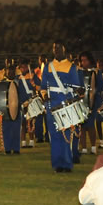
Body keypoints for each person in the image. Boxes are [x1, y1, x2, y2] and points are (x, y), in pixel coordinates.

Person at [40, 42, 82, 173]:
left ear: (64, 49)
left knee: (66, 134)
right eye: (54, 48)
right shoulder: (48, 66)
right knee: (54, 134)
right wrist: (44, 95)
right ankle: (57, 163)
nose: (56, 50)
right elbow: (42, 86)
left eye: (59, 48)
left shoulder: (71, 66)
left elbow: (76, 86)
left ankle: (67, 163)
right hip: (51, 102)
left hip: (65, 101)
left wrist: (78, 94)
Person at [78, 51, 102, 155]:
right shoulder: (79, 72)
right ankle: (83, 148)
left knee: (91, 125)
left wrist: (95, 100)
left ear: (90, 60)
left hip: (92, 101)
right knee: (81, 126)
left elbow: (99, 87)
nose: (83, 62)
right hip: (81, 101)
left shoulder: (96, 72)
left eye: (85, 60)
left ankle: (93, 147)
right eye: (82, 60)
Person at [0, 62, 22, 154]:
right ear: (6, 73)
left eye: (12, 72)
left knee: (16, 129)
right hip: (6, 110)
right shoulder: (2, 83)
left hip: (17, 108)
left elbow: (23, 95)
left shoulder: (19, 83)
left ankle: (16, 148)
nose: (11, 74)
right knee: (6, 129)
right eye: (9, 72)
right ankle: (8, 148)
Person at [15, 59, 37, 149]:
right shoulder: (18, 78)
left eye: (24, 67)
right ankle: (23, 141)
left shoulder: (32, 76)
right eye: (21, 68)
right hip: (21, 102)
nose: (23, 69)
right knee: (22, 123)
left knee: (30, 122)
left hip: (31, 101)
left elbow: (37, 88)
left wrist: (34, 84)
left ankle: (31, 140)